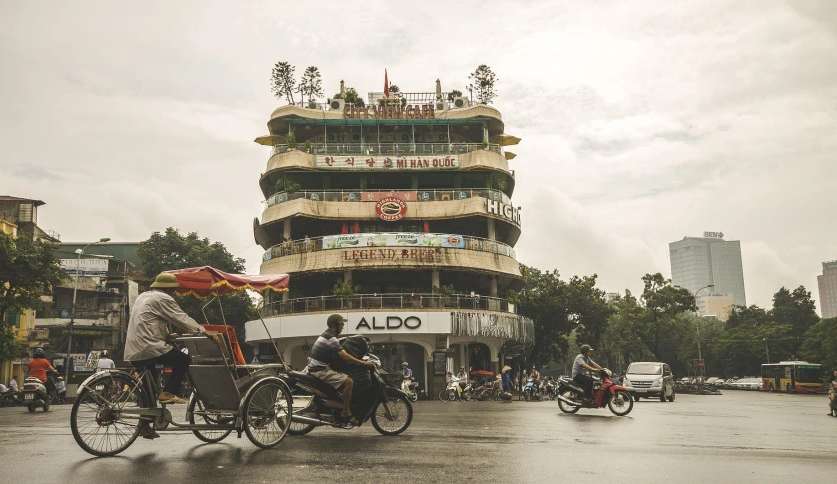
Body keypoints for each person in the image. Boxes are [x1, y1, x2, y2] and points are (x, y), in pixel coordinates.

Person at [124, 272, 214, 440]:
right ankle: (169, 392)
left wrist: (168, 336)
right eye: (173, 290)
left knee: (148, 390)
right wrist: (204, 331)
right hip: (149, 346)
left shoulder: (144, 296)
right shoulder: (163, 298)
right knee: (183, 360)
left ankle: (145, 426)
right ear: (169, 289)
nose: (174, 293)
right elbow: (181, 318)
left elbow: (154, 322)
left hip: (134, 348)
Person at [305, 314, 376, 421]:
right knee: (349, 382)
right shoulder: (331, 338)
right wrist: (364, 363)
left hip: (317, 367)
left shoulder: (327, 335)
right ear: (335, 325)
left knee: (342, 377)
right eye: (341, 324)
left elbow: (339, 348)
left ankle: (339, 403)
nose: (343, 326)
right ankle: (345, 411)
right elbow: (345, 356)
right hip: (320, 370)